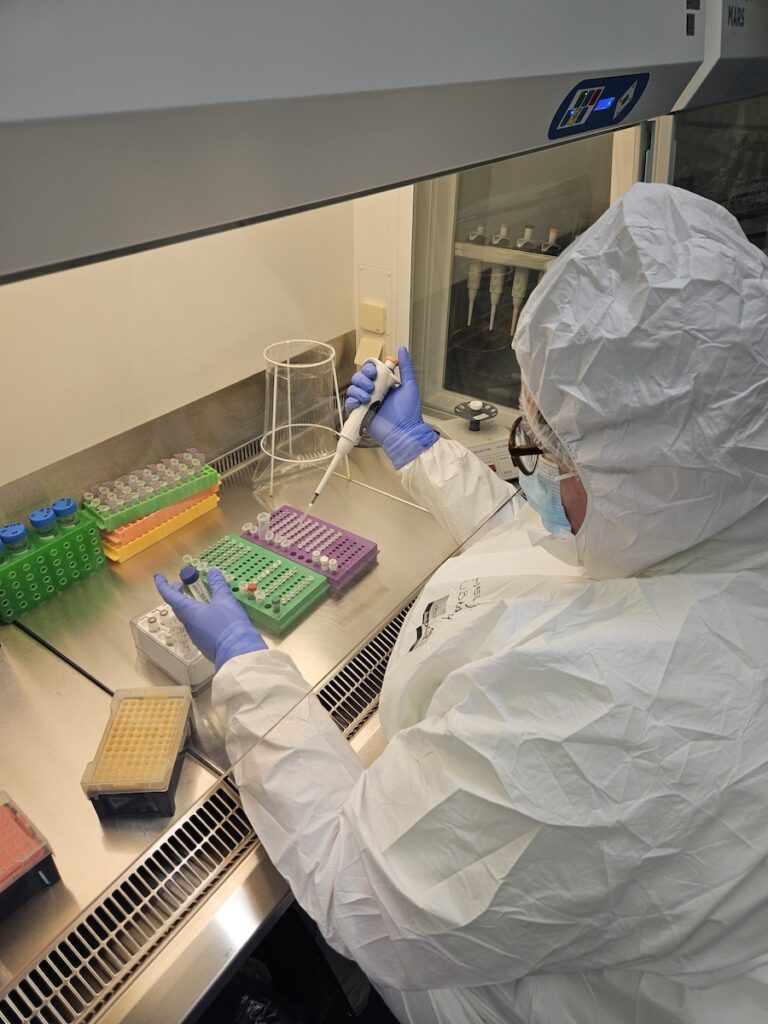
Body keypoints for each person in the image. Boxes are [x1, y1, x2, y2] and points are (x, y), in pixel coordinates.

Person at [156, 182, 768, 1024]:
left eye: (548, 440)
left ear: (649, 468)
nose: (533, 463)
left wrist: (246, 671)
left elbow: (359, 876)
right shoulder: (723, 508)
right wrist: (417, 449)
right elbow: (558, 543)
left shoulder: (612, 711)